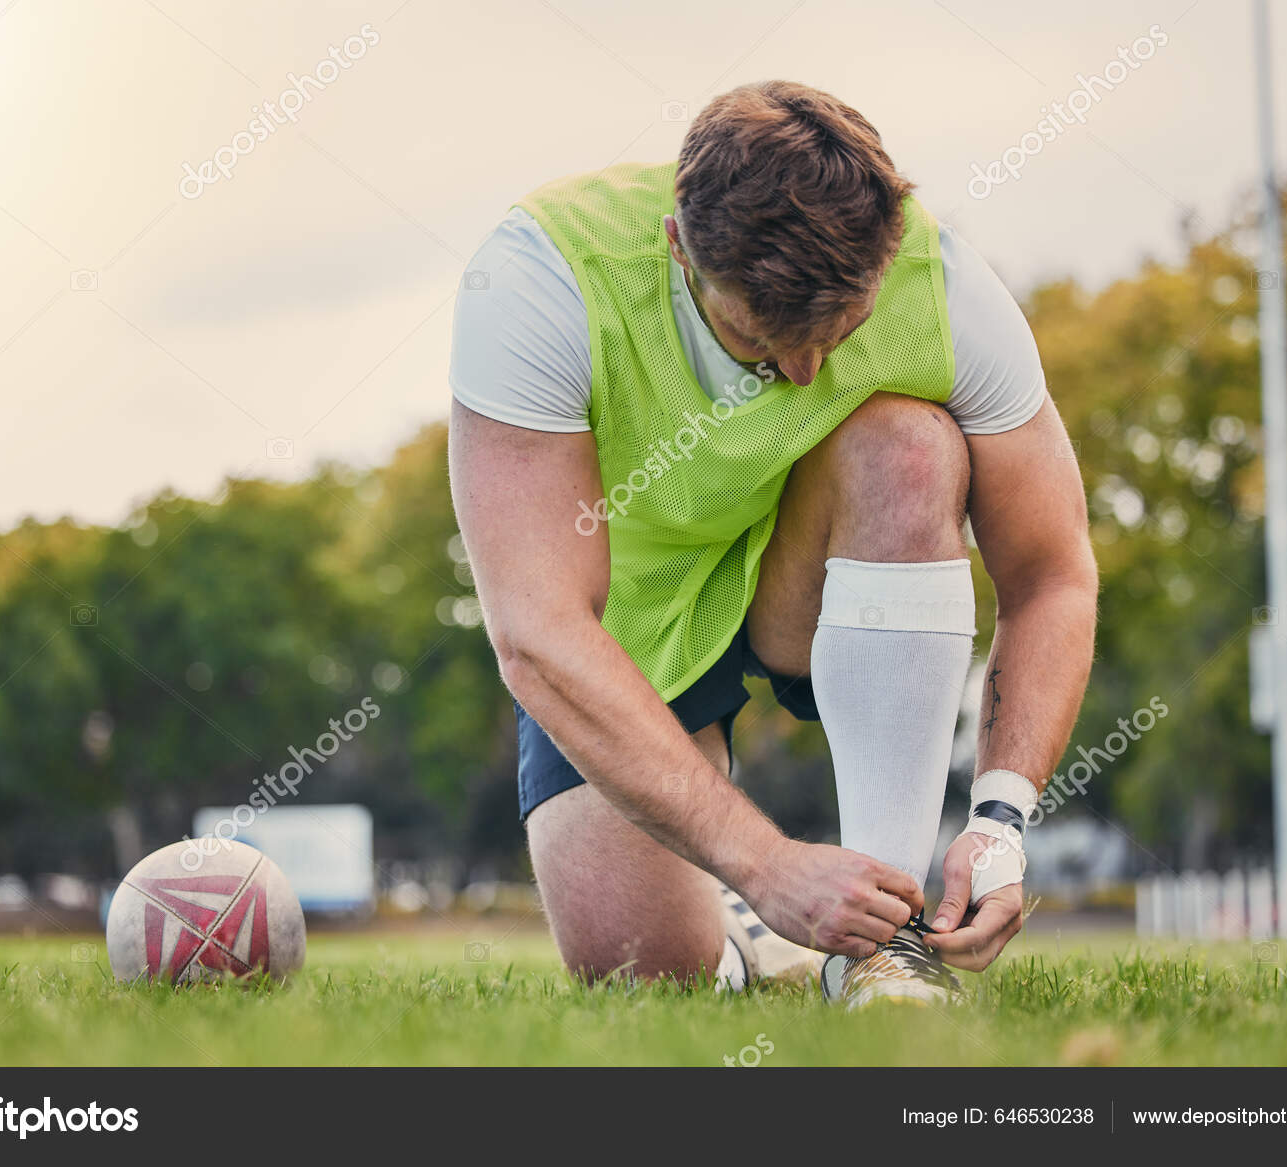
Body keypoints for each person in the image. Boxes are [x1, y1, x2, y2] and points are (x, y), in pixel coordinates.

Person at [448, 80, 1096, 1005]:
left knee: (910, 445)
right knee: (644, 973)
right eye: (761, 338)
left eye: (842, 333)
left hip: (806, 573)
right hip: (626, 629)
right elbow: (537, 632)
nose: (802, 373)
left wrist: (1000, 818)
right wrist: (763, 863)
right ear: (679, 246)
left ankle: (883, 949)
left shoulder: (947, 290)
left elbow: (1052, 572)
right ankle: (747, 933)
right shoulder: (538, 281)